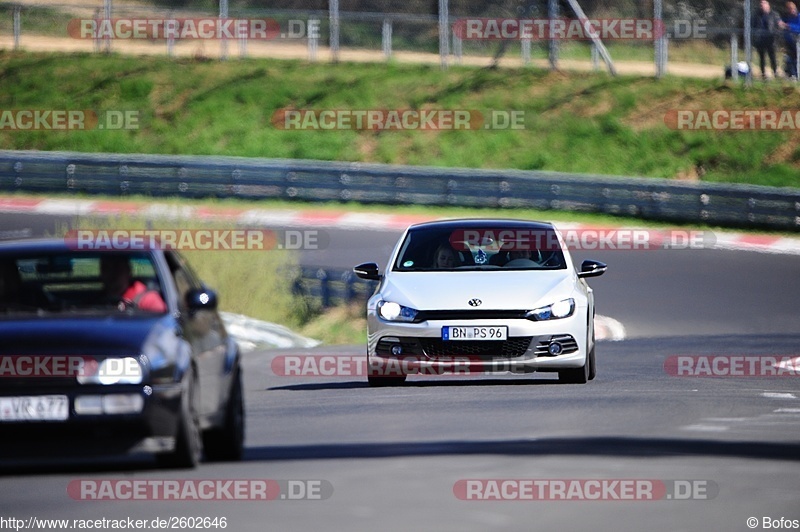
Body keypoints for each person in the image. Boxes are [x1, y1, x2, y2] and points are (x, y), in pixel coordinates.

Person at [100, 255, 167, 312]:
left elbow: (161, 324)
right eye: (107, 269)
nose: (112, 274)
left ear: (129, 271)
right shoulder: (93, 300)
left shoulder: (148, 300)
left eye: (117, 269)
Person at [753, 0, 781, 79]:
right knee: (762, 58)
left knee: (773, 57)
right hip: (760, 39)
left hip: (771, 40)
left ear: (768, 5)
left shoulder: (774, 15)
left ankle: (775, 73)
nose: (762, 6)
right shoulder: (757, 15)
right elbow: (754, 25)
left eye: (764, 4)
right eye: (761, 4)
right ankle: (763, 74)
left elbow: (778, 25)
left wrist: (777, 33)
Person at [779, 2, 800, 78]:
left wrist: (789, 26)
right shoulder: (787, 17)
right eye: (789, 9)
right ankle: (792, 74)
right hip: (789, 42)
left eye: (792, 9)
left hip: (797, 42)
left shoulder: (798, 17)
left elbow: (798, 28)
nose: (791, 11)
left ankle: (797, 75)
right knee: (789, 59)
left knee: (797, 59)